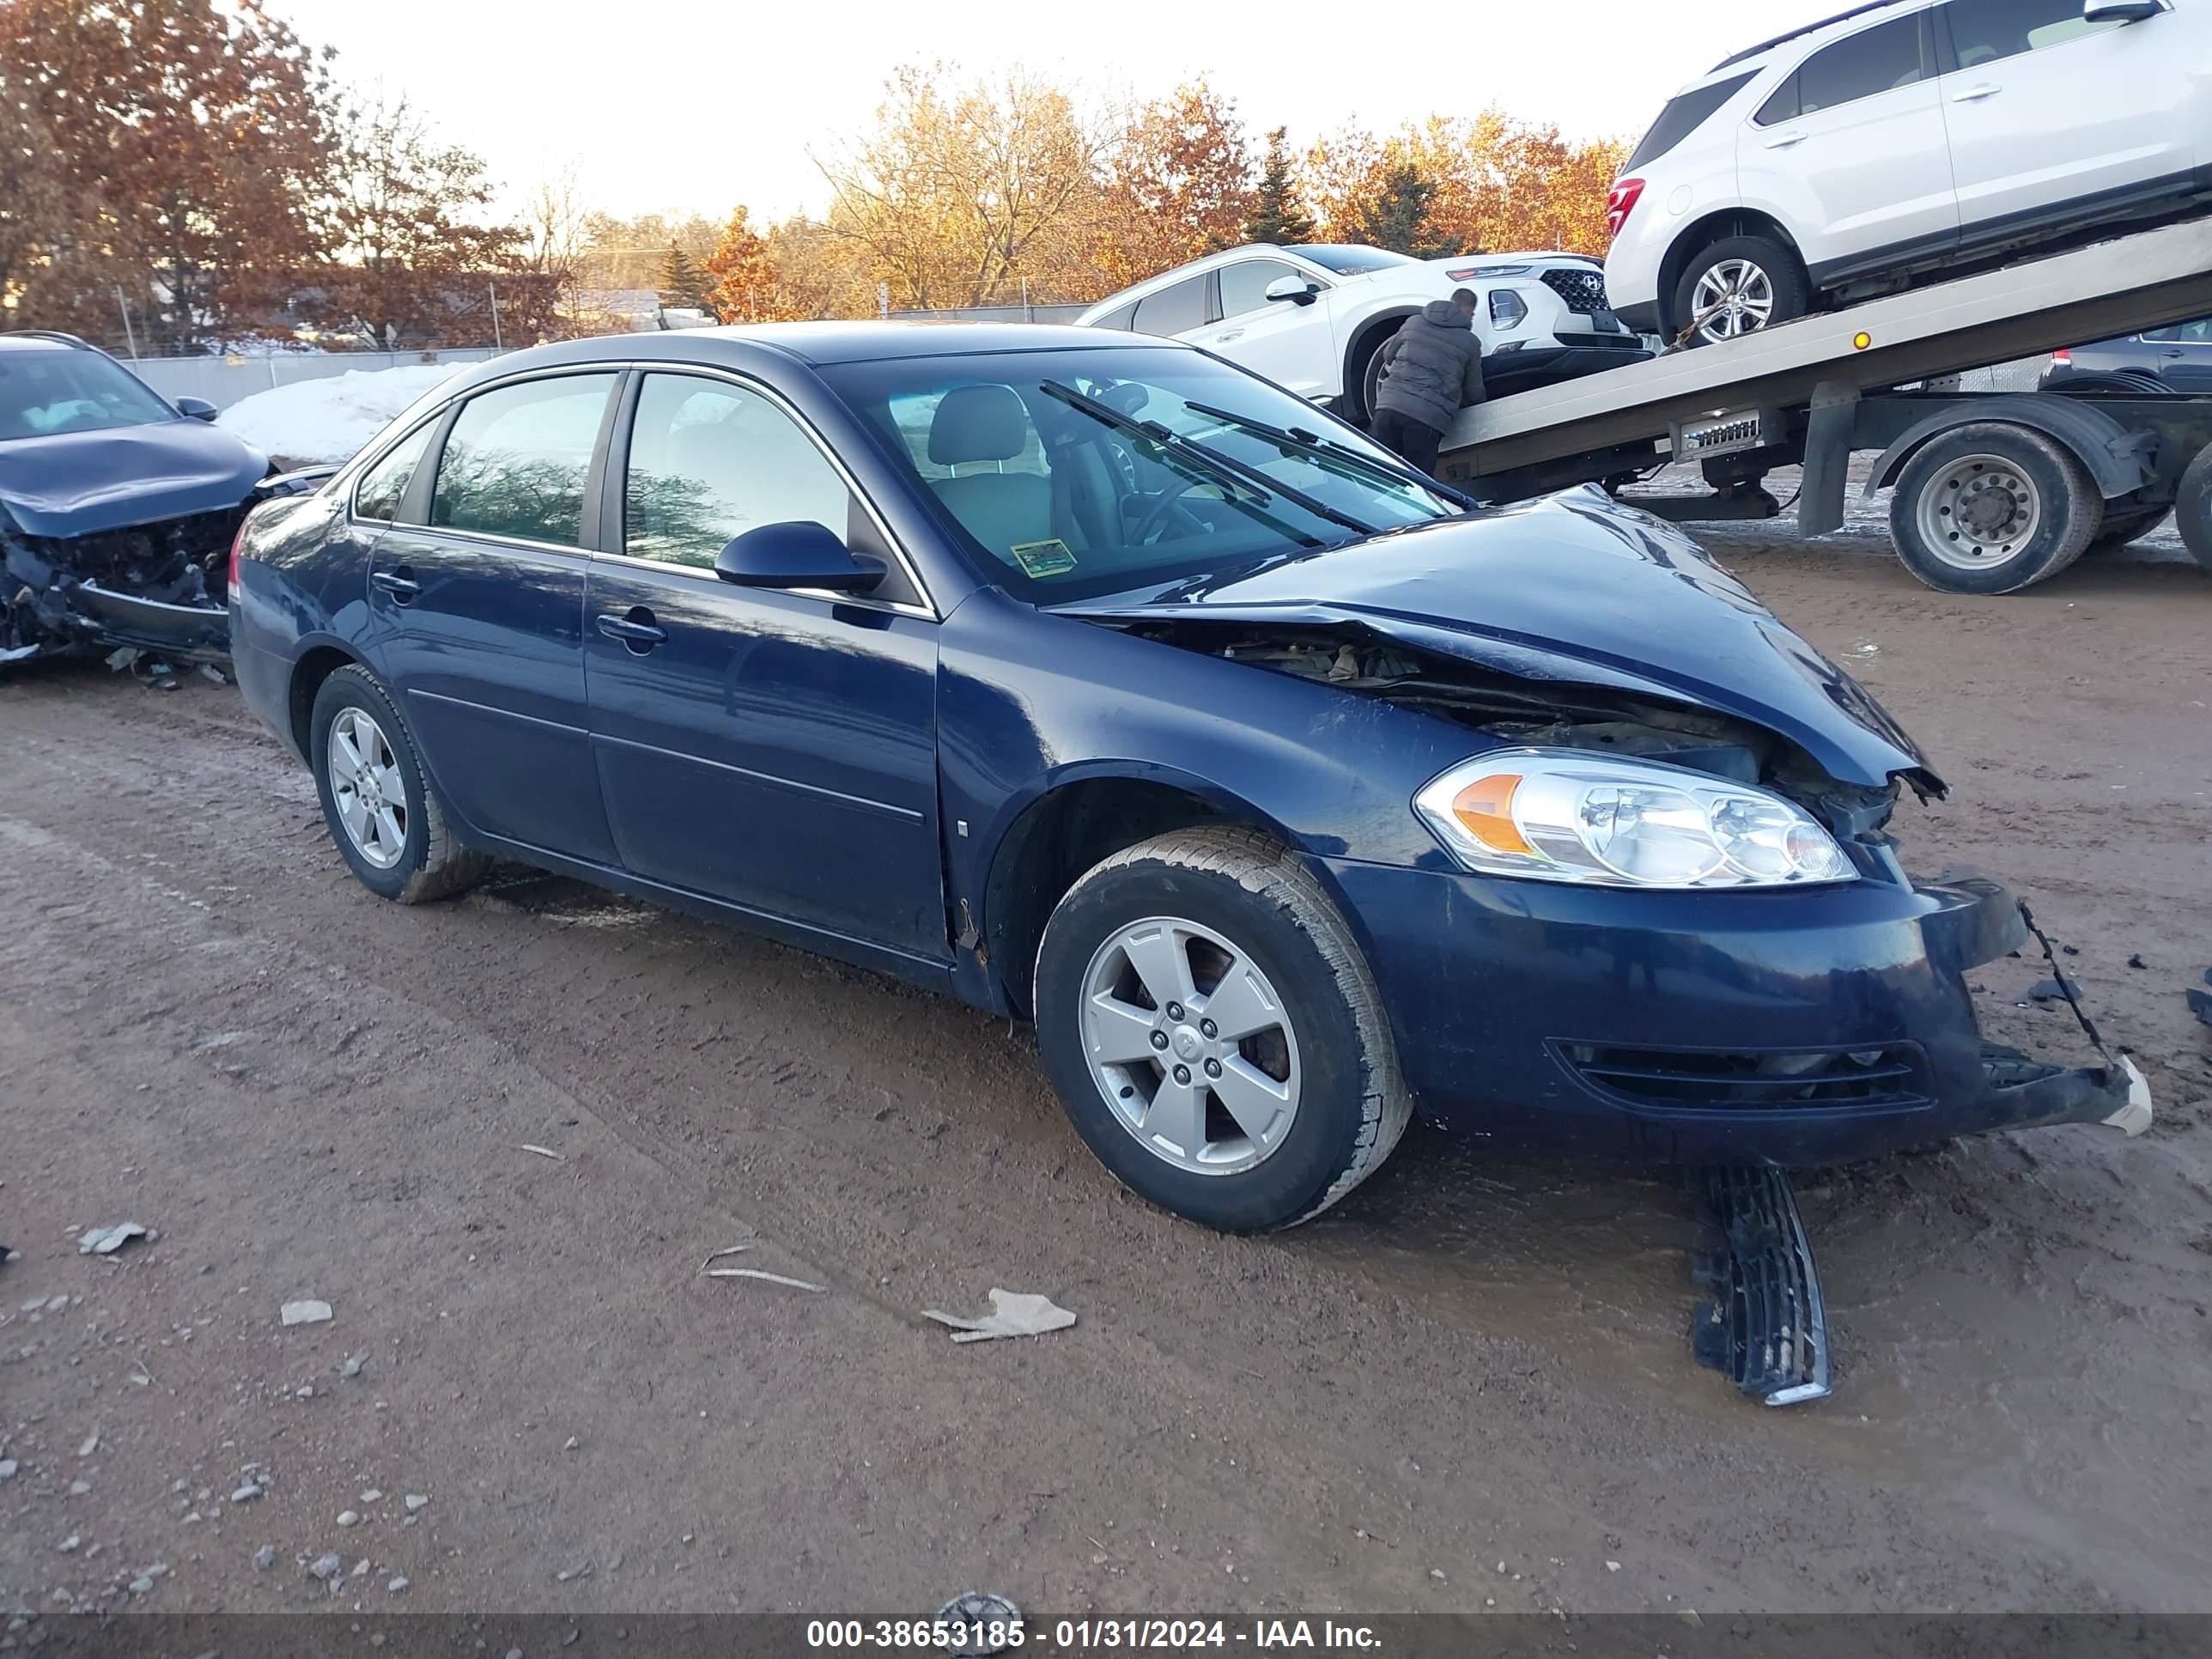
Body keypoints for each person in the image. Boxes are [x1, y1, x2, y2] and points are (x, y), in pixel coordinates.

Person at [1368, 289, 1485, 476]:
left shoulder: (1413, 322)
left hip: (1388, 407)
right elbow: (1473, 390)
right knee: (1418, 481)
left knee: (1378, 473)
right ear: (1469, 312)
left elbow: (1388, 356)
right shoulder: (1470, 342)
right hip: (1426, 420)